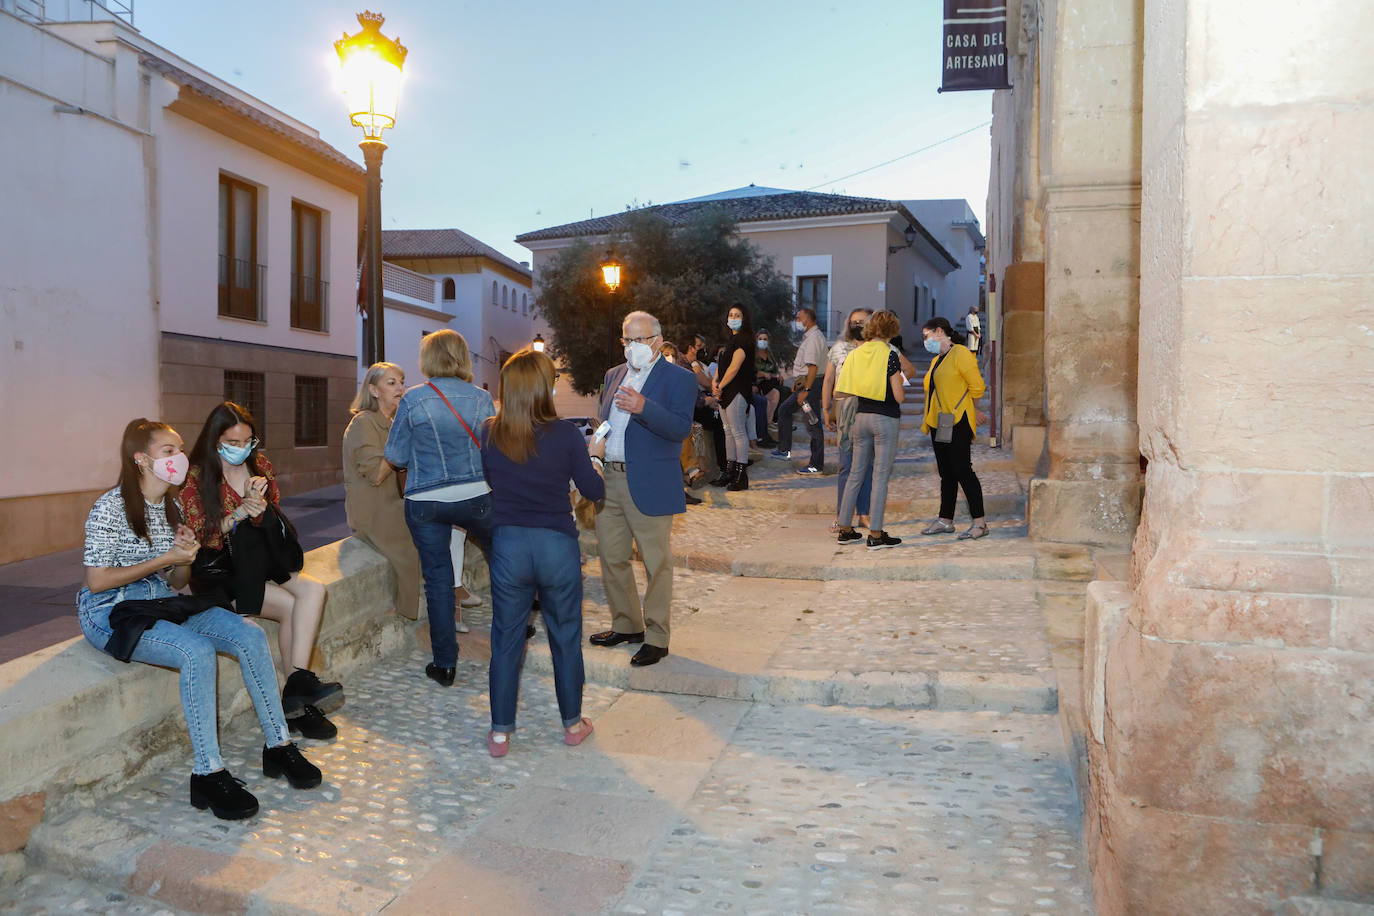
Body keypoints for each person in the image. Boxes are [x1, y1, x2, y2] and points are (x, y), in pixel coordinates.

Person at [78, 419, 321, 820]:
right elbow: (97, 580)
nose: (178, 459)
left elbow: (176, 582)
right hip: (110, 610)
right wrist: (166, 560)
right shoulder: (111, 506)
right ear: (141, 459)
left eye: (178, 449)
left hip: (158, 600)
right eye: (167, 452)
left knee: (250, 634)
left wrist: (184, 559)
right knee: (196, 652)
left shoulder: (170, 506)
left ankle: (279, 747)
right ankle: (207, 773)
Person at [182, 402, 342, 740]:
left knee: (314, 590)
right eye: (233, 442)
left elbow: (272, 523)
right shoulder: (196, 477)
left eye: (247, 441)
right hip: (222, 575)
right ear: (215, 440)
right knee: (289, 606)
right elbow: (201, 539)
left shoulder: (261, 466)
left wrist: (259, 510)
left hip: (259, 563)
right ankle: (296, 702)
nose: (241, 449)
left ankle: (298, 687)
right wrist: (240, 512)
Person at [479, 349, 605, 756]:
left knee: (506, 638)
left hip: (510, 544)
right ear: (543, 388)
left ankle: (500, 733)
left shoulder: (489, 432)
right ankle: (572, 724)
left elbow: (492, 478)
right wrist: (596, 460)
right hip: (555, 544)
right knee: (565, 637)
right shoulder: (567, 435)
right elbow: (594, 491)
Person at [385, 329, 496, 687]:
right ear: (463, 357)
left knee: (437, 579)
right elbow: (491, 450)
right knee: (505, 560)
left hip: (426, 500)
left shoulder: (414, 399)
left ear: (428, 359)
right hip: (476, 495)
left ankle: (445, 664)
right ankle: (516, 631)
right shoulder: (481, 398)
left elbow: (396, 455)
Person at [588, 311, 697, 667]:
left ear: (656, 340)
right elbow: (604, 421)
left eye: (638, 339)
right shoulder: (613, 374)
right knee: (612, 557)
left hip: (650, 481)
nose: (632, 346)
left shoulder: (679, 379)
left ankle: (656, 636)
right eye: (626, 340)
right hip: (611, 479)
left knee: (656, 563)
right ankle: (627, 624)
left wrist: (644, 407)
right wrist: (596, 445)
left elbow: (681, 429)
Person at [343, 362, 422, 622]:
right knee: (417, 540)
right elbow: (376, 474)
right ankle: (410, 614)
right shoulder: (363, 423)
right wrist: (402, 442)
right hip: (374, 508)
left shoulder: (395, 422)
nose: (400, 388)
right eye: (392, 383)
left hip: (396, 501)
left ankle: (447, 603)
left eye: (401, 381)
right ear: (374, 391)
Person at [835, 310, 907, 550]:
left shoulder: (855, 354)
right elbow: (899, 396)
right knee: (880, 477)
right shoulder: (890, 355)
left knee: (855, 473)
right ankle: (875, 533)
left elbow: (840, 391)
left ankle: (844, 528)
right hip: (885, 419)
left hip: (860, 418)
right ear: (891, 330)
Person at [920, 316, 989, 540]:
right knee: (946, 473)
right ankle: (945, 520)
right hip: (938, 422)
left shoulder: (960, 353)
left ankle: (980, 523)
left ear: (939, 331)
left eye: (926, 335)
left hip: (957, 420)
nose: (925, 341)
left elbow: (977, 386)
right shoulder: (936, 360)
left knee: (963, 471)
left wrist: (973, 409)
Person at [823, 308, 874, 532]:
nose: (858, 325)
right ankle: (842, 517)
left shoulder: (879, 349)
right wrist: (826, 409)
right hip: (844, 409)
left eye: (862, 321)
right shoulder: (838, 348)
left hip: (869, 409)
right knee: (846, 465)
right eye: (854, 322)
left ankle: (864, 514)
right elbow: (828, 381)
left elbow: (903, 372)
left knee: (867, 466)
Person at [770, 307, 828, 474]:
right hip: (804, 384)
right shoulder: (810, 338)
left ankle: (816, 464)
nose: (796, 321)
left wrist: (806, 390)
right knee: (784, 410)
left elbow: (813, 367)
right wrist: (798, 383)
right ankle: (784, 450)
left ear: (807, 320)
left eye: (798, 318)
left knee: (813, 423)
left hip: (811, 386)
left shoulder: (813, 339)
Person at [711, 304, 757, 491]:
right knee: (727, 431)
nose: (733, 317)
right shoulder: (731, 339)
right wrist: (715, 382)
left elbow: (735, 367)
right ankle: (729, 471)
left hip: (736, 390)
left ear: (744, 318)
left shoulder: (744, 340)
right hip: (724, 390)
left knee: (738, 432)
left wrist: (720, 386)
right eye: (731, 314)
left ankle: (741, 474)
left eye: (737, 315)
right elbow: (722, 365)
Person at [683, 336, 729, 486]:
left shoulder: (698, 364)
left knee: (720, 417)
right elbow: (701, 384)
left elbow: (709, 383)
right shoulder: (685, 364)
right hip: (692, 407)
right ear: (690, 348)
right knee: (715, 422)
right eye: (699, 346)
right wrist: (705, 400)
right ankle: (722, 467)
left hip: (702, 402)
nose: (702, 349)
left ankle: (725, 464)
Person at [753, 330, 782, 448]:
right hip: (757, 384)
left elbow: (775, 370)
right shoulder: (752, 355)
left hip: (769, 383)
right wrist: (762, 374)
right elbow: (751, 372)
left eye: (765, 339)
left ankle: (769, 424)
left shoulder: (770, 355)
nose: (763, 341)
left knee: (777, 393)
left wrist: (778, 375)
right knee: (767, 399)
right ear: (756, 340)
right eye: (760, 339)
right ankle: (764, 432)